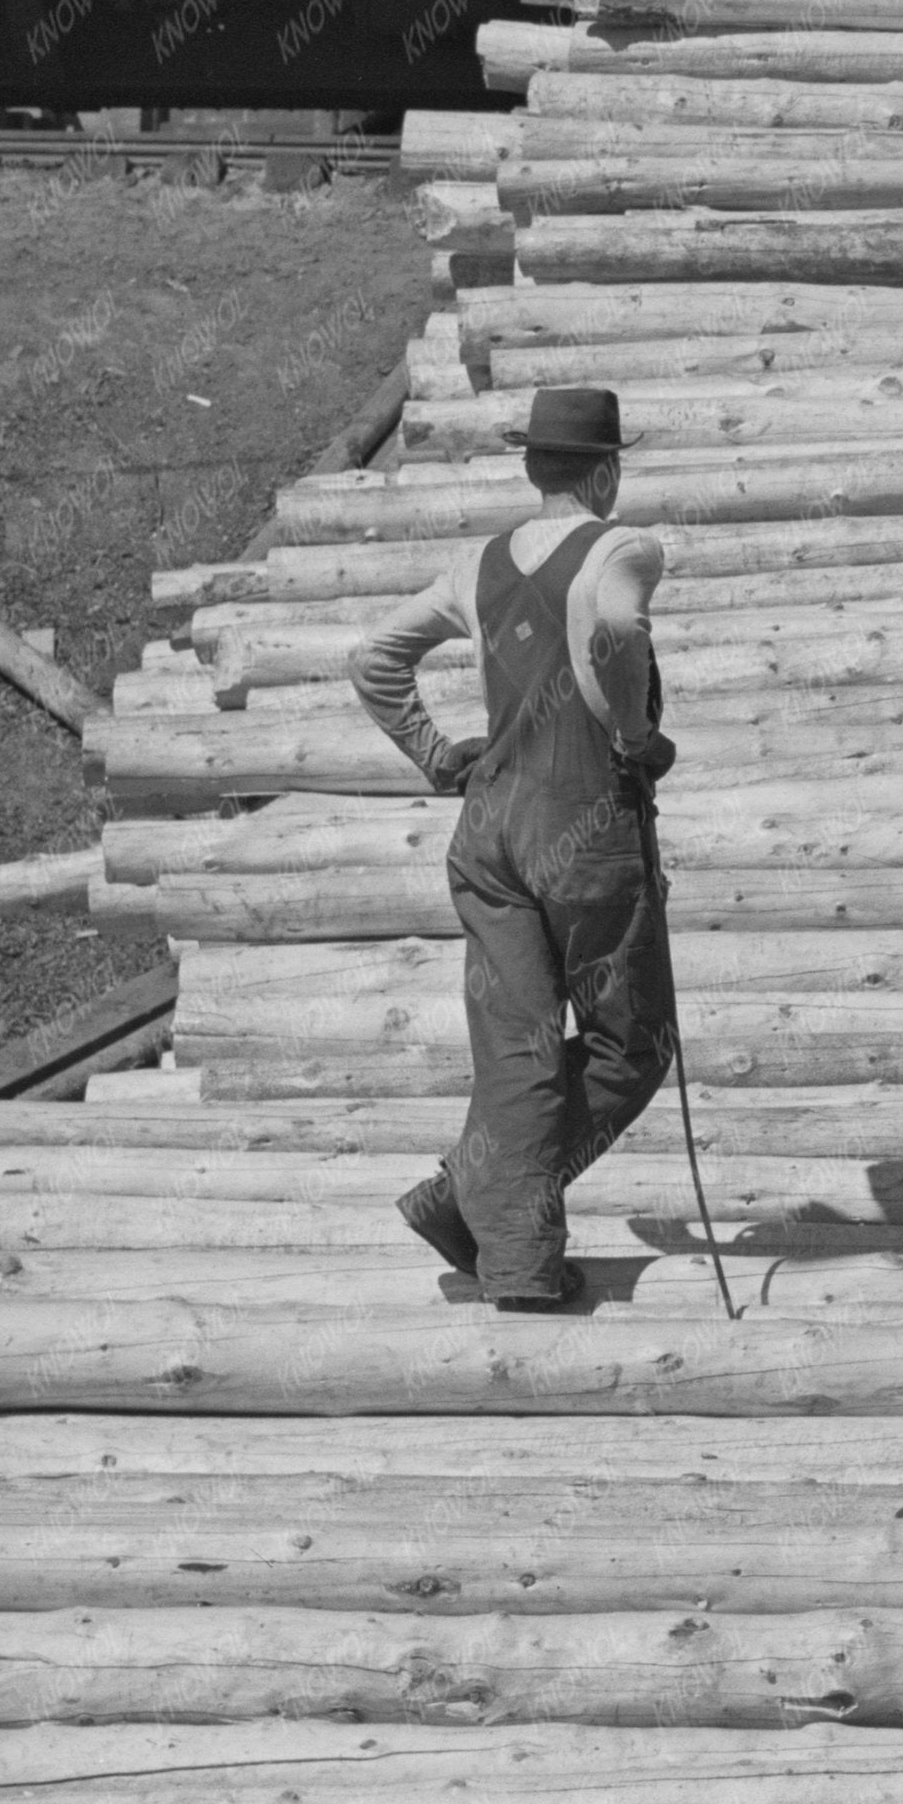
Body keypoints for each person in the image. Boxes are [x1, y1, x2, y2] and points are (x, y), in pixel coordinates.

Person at [349, 377, 676, 1312]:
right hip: (585, 837)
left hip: (488, 835)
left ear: (535, 468)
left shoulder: (478, 564)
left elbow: (373, 659)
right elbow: (614, 627)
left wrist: (433, 754)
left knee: (520, 1052)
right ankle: (495, 1218)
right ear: (608, 473)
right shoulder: (622, 548)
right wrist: (629, 736)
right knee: (631, 1043)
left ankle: (489, 1218)